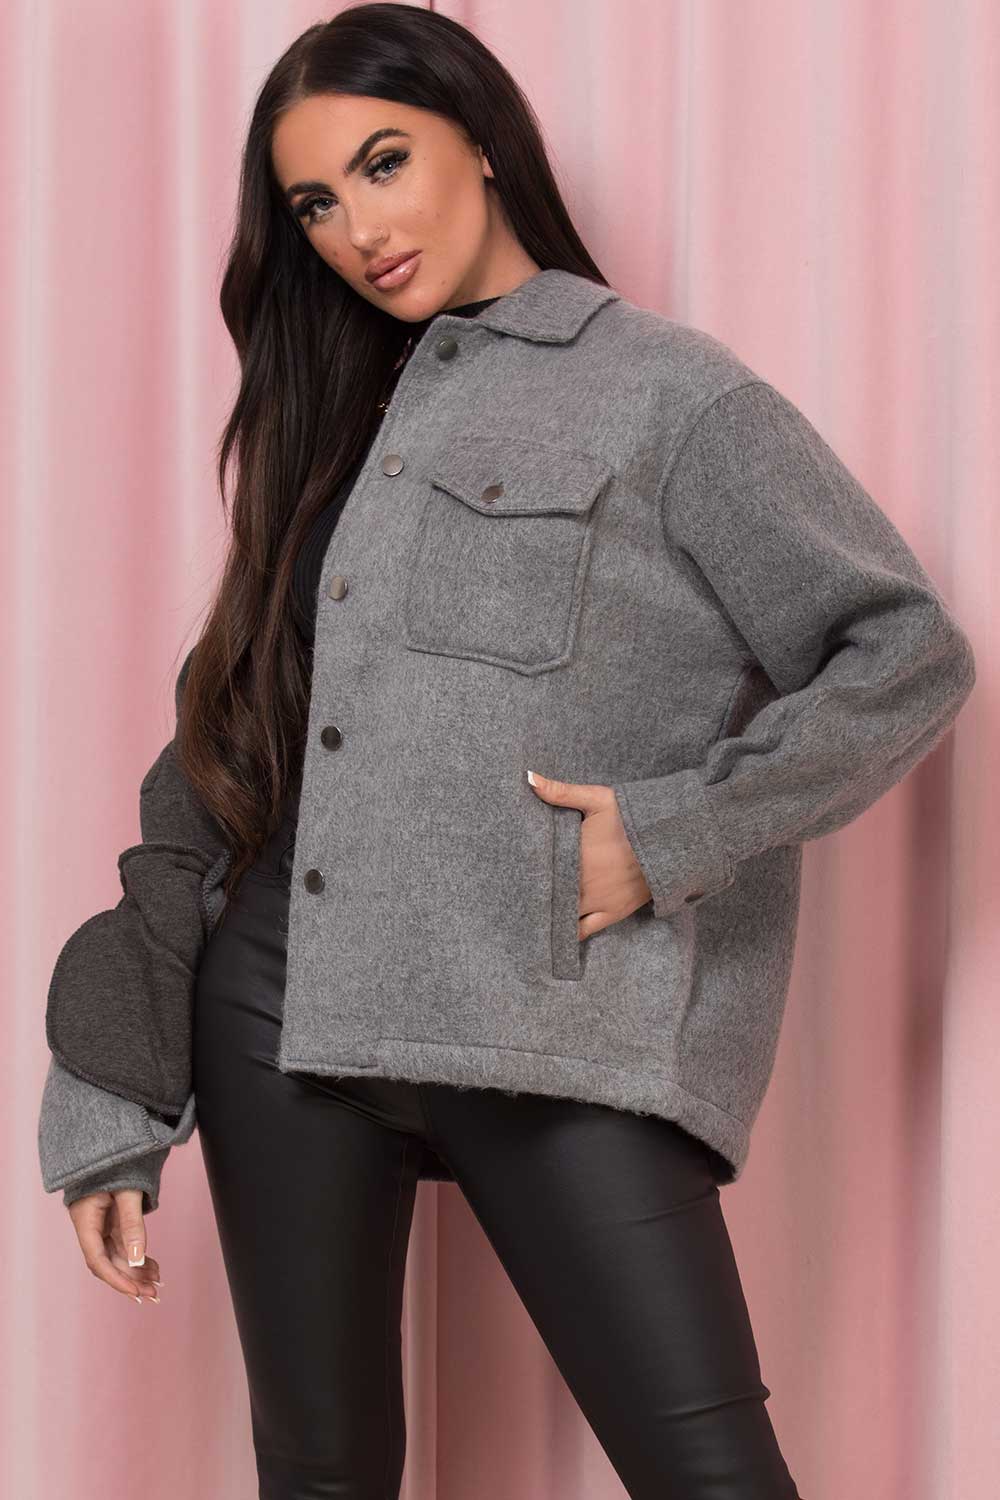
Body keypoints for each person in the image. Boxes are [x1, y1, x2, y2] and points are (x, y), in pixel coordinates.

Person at [37, 6, 976, 1498]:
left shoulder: (668, 392)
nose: (359, 230)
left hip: (551, 1007)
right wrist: (109, 1104)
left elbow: (905, 652)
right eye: (316, 203)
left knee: (711, 1473)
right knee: (320, 1478)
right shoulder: (332, 413)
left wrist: (668, 834)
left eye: (384, 163)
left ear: (478, 140)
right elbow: (222, 754)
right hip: (287, 1004)